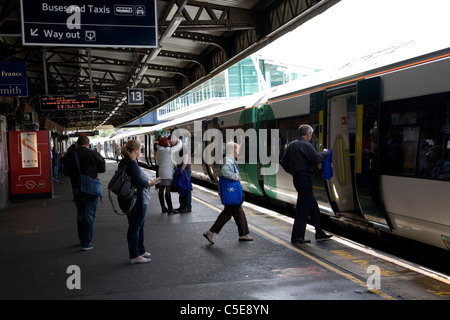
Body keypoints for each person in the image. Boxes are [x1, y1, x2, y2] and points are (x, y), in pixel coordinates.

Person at [287, 124, 332, 245]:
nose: (311, 136)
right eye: (311, 134)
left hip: (297, 179)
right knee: (303, 209)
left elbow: (283, 162)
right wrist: (325, 153)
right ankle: (297, 237)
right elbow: (317, 159)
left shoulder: (292, 145)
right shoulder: (307, 145)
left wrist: (292, 172)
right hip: (305, 179)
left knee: (313, 206)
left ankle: (319, 232)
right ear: (308, 134)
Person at [203, 142, 253, 244]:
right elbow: (225, 172)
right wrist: (236, 177)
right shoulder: (229, 160)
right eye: (236, 151)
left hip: (230, 191)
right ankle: (210, 232)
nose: (237, 153)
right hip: (231, 191)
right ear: (232, 151)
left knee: (238, 211)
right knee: (227, 213)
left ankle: (243, 234)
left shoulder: (229, 159)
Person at [63, 136, 106, 251]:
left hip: (77, 188)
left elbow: (66, 172)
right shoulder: (93, 154)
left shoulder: (70, 155)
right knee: (89, 214)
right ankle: (86, 242)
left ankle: (83, 240)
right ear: (88, 143)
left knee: (80, 213)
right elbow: (102, 169)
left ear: (77, 143)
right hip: (91, 188)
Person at [119, 140, 158, 264]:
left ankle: (140, 250)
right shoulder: (131, 163)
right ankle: (134, 255)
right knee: (135, 226)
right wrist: (150, 183)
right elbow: (140, 182)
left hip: (129, 198)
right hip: (135, 199)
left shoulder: (125, 162)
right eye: (140, 148)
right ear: (135, 150)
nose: (140, 151)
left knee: (139, 225)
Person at [155, 135, 182, 214]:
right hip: (167, 172)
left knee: (161, 189)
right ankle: (170, 209)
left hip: (161, 172)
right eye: (167, 141)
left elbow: (157, 163)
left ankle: (163, 207)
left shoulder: (158, 151)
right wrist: (179, 140)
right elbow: (179, 145)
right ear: (165, 143)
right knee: (167, 190)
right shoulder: (168, 150)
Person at [174, 136, 192, 213]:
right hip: (180, 169)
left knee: (186, 188)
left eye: (170, 141)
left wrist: (182, 169)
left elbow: (186, 158)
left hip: (185, 170)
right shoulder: (177, 147)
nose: (169, 143)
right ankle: (182, 206)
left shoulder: (183, 147)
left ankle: (187, 206)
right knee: (181, 188)